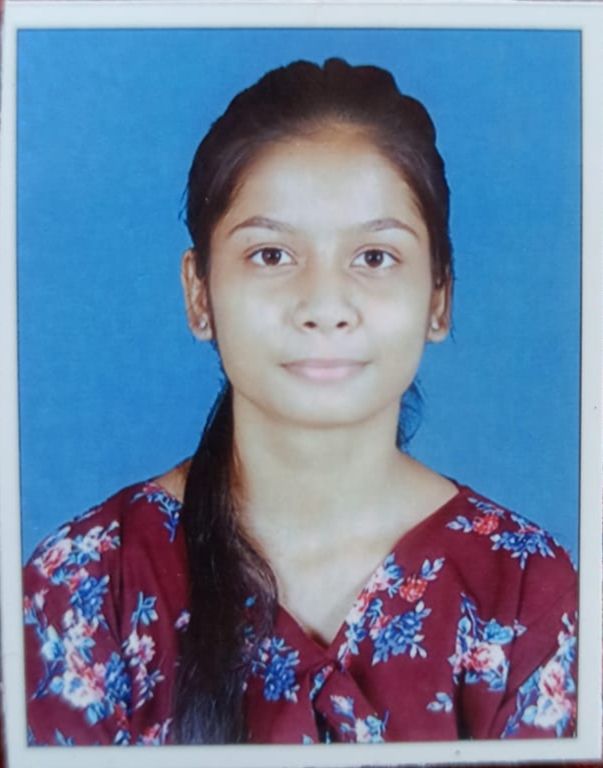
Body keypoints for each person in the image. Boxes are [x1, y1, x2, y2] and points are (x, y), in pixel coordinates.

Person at [23, 57, 577, 747]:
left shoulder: (524, 589)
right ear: (199, 294)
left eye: (374, 257)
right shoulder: (86, 587)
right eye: (271, 255)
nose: (323, 305)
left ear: (439, 297)